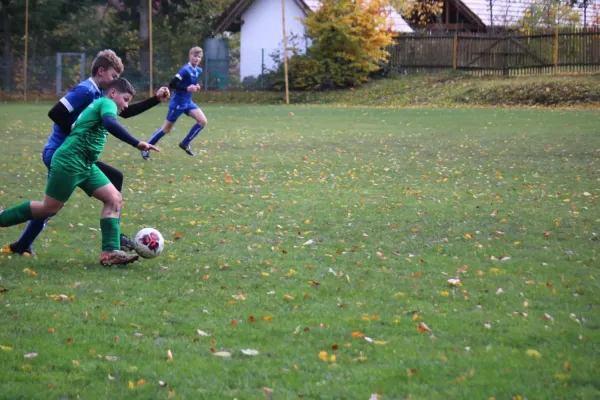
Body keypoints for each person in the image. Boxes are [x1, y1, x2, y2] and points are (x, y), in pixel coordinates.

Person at [6, 49, 169, 256]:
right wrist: (79, 130)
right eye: (113, 77)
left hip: (77, 154)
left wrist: (155, 99)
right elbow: (55, 112)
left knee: (51, 206)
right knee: (51, 205)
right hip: (62, 151)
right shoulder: (85, 90)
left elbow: (125, 112)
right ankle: (113, 237)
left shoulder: (102, 95)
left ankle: (23, 245)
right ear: (101, 71)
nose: (115, 82)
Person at [141, 46, 207, 160]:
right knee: (166, 129)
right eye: (195, 56)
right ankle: (145, 148)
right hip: (177, 103)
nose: (197, 59)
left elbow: (191, 84)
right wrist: (187, 88)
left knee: (202, 121)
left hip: (188, 102)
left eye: (199, 57)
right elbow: (172, 84)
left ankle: (185, 143)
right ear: (190, 56)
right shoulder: (185, 70)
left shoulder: (198, 70)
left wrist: (196, 86)